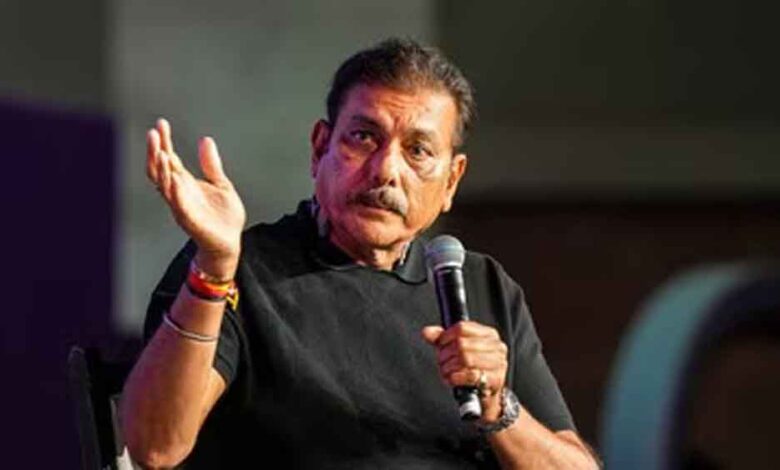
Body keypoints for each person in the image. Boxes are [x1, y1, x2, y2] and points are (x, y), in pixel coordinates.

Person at [120, 38, 599, 469]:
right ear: (320, 148)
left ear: (451, 181)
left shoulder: (480, 285)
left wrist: (498, 407)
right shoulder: (237, 268)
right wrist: (215, 267)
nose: (386, 170)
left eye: (418, 151)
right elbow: (155, 448)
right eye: (364, 137)